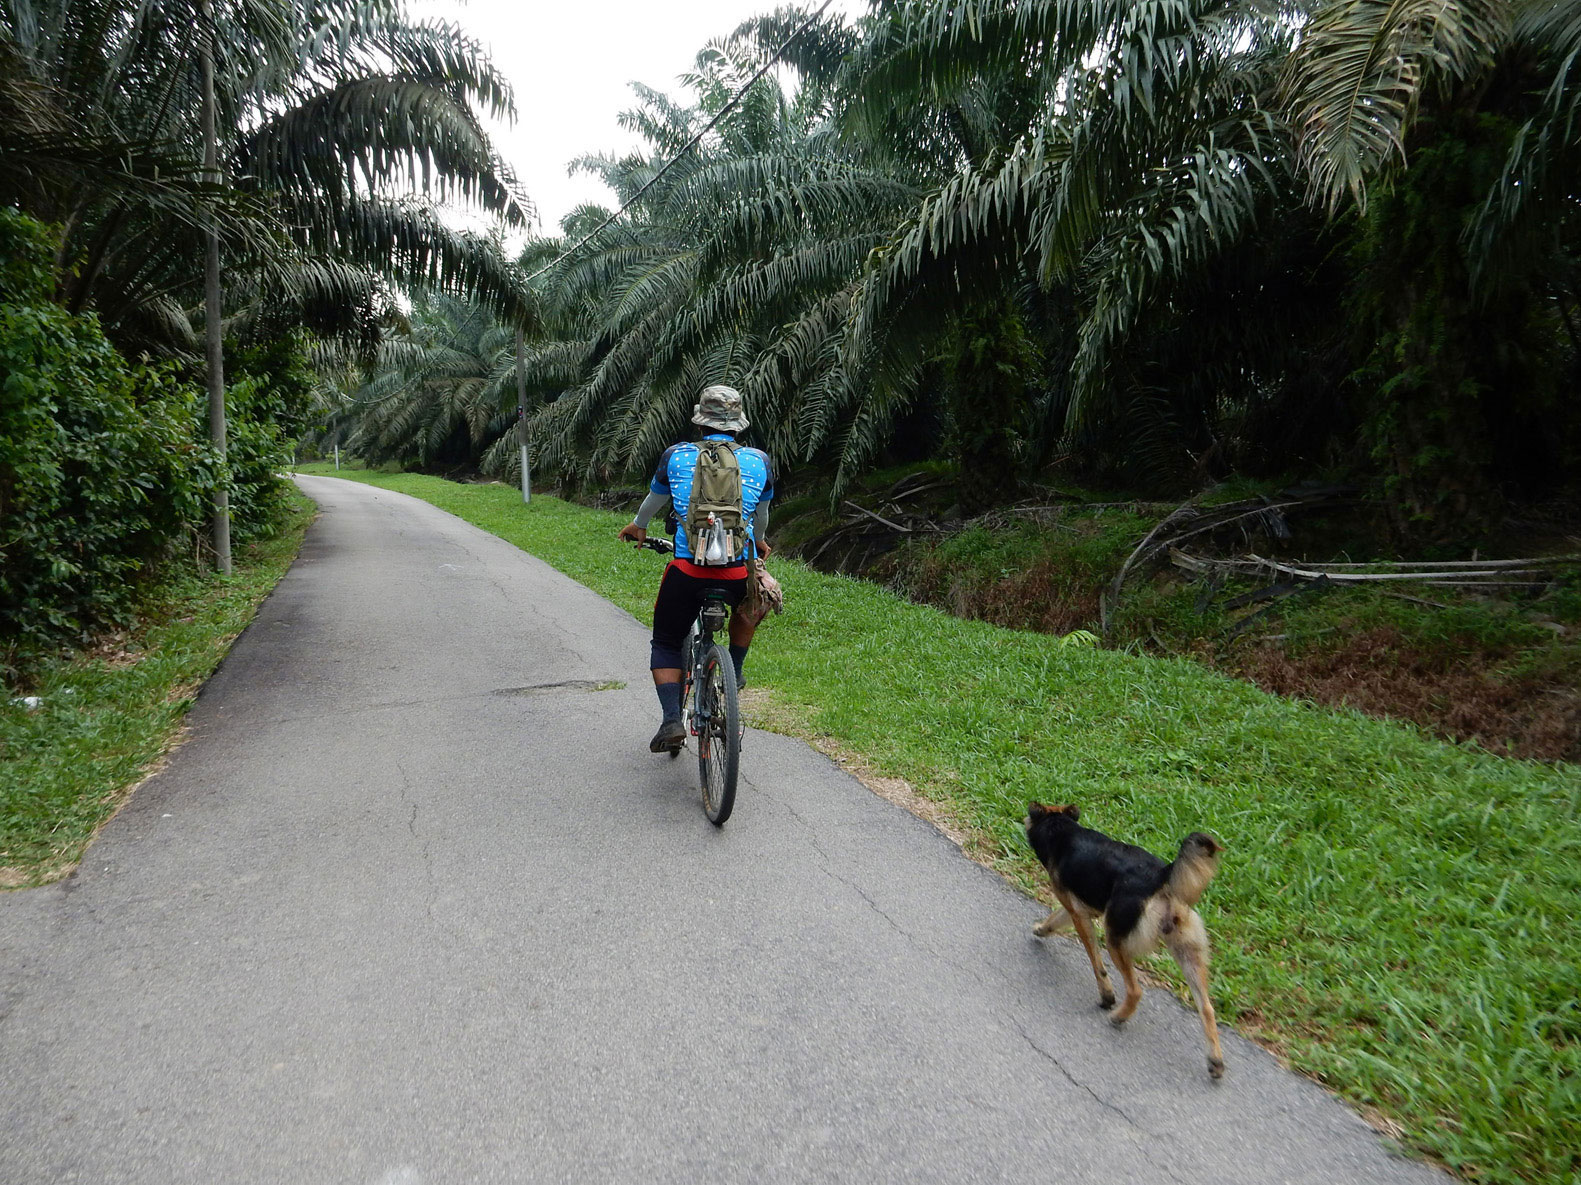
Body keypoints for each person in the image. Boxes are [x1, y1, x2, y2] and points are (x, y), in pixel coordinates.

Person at [617, 385, 775, 753]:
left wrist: (638, 525)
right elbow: (761, 518)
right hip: (737, 575)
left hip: (688, 574)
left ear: (700, 421)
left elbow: (654, 502)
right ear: (738, 424)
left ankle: (672, 719)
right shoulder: (759, 462)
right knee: (751, 606)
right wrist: (760, 541)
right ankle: (733, 672)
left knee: (668, 641)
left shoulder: (676, 456)